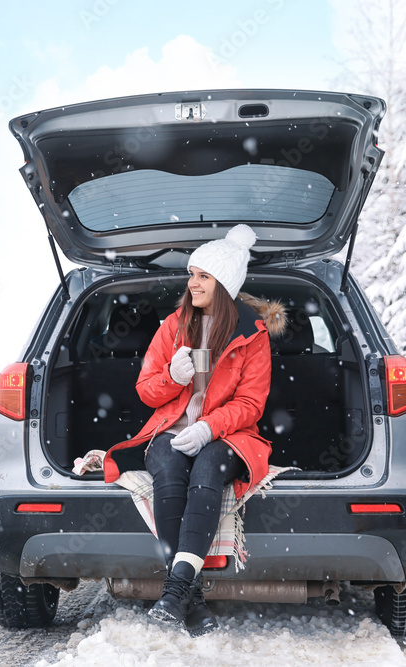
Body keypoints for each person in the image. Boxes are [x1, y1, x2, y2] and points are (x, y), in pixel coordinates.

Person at [101, 224, 285, 635]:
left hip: (228, 435)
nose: (192, 282)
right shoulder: (173, 326)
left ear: (224, 283)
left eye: (203, 275)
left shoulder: (251, 337)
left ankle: (174, 593)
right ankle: (188, 596)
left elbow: (251, 404)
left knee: (207, 472)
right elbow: (147, 392)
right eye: (192, 273)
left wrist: (207, 428)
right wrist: (172, 376)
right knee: (168, 473)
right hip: (168, 429)